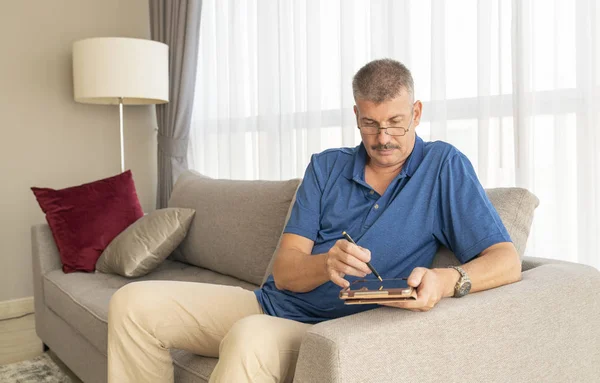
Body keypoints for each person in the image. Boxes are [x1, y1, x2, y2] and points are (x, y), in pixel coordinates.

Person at [107, 58, 522, 383]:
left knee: (250, 336)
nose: (383, 138)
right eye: (370, 124)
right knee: (131, 304)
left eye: (396, 122)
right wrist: (325, 264)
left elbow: (506, 259)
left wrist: (447, 281)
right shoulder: (325, 168)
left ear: (416, 112)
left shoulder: (443, 166)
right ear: (356, 115)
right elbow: (285, 274)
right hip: (268, 304)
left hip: (331, 331)